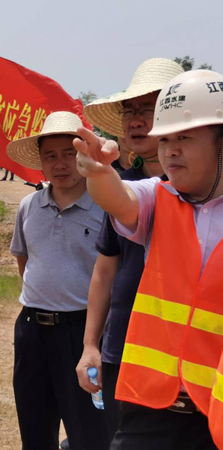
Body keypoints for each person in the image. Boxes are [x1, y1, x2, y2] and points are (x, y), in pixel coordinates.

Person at [75, 69, 223, 450]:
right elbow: (119, 198)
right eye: (165, 139)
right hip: (149, 409)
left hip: (215, 416)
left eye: (184, 137)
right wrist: (99, 172)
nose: (170, 150)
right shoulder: (157, 198)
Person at [6, 111, 109, 450]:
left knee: (89, 432)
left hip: (83, 333)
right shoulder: (28, 206)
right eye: (50, 156)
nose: (60, 164)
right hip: (32, 330)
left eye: (69, 154)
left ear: (85, 157)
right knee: (34, 428)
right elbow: (25, 261)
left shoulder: (105, 207)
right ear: (40, 162)